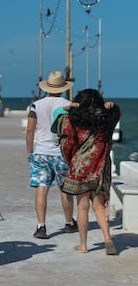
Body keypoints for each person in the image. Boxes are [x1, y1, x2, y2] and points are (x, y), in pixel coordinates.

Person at [52, 89, 121, 255]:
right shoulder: (106, 121)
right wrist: (108, 106)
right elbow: (117, 111)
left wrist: (72, 106)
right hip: (100, 168)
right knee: (99, 206)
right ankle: (107, 238)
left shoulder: (71, 121)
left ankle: (83, 245)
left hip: (80, 168)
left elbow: (57, 119)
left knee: (82, 208)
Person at [26, 70, 77, 239]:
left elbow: (30, 131)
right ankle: (69, 223)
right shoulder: (68, 104)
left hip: (41, 152)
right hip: (61, 153)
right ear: (63, 87)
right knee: (65, 190)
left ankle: (41, 226)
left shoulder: (36, 105)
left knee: (42, 189)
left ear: (47, 87)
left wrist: (29, 152)